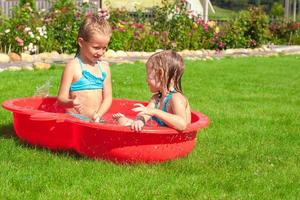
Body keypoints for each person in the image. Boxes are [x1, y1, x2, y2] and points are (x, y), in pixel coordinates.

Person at [113, 50, 191, 131]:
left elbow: (182, 124)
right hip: (163, 139)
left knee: (129, 124)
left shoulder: (176, 98)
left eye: (148, 74)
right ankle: (125, 121)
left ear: (160, 74)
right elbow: (146, 113)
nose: (146, 80)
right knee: (129, 124)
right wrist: (140, 121)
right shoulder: (156, 98)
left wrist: (155, 112)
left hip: (179, 141)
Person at [57, 12, 112, 122]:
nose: (101, 52)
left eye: (104, 48)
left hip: (96, 118)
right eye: (96, 47)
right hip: (75, 120)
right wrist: (70, 102)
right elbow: (61, 98)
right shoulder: (73, 67)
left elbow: (108, 97)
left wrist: (98, 115)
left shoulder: (104, 68)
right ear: (81, 42)